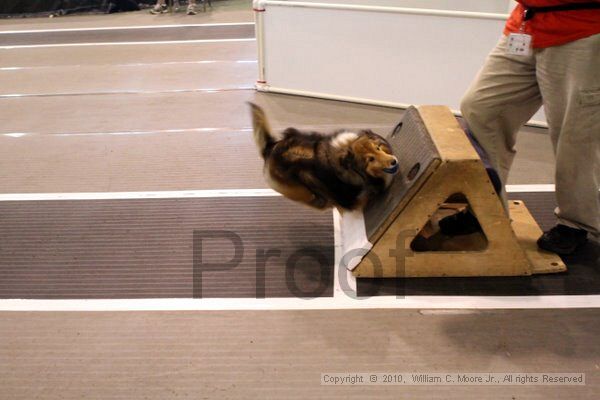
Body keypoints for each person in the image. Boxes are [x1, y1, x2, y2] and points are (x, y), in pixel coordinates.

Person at [460, 0, 600, 255]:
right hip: (527, 24)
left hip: (584, 29)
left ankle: (577, 224)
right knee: (482, 110)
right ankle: (486, 208)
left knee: (575, 134)